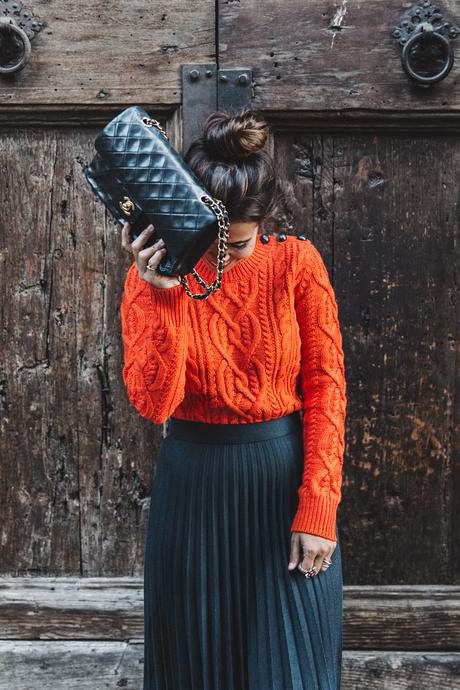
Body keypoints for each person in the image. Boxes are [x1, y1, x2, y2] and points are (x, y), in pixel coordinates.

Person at [119, 107, 347, 690]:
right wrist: (164, 296)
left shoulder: (296, 265)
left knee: (291, 672)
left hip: (283, 488)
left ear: (263, 220)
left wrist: (318, 506)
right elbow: (152, 402)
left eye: (236, 246)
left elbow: (326, 388)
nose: (218, 259)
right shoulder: (153, 275)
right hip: (193, 490)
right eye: (208, 242)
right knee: (194, 671)